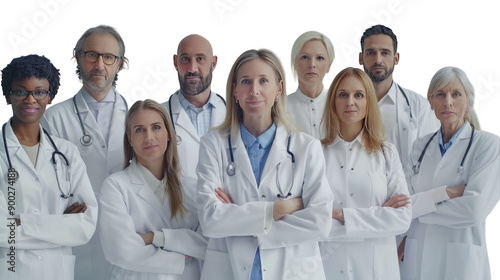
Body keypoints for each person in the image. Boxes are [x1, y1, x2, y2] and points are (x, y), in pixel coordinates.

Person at [197, 49, 334, 280]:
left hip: (293, 271)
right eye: (245, 82)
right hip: (229, 270)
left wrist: (239, 224)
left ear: (279, 89)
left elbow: (320, 222)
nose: (254, 91)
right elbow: (210, 219)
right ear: (235, 91)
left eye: (263, 81)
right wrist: (278, 209)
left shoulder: (306, 147)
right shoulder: (214, 144)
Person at [40, 24, 128, 280]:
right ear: (77, 57)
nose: (99, 64)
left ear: (119, 64)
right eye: (92, 55)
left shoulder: (138, 116)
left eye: (108, 57)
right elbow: (43, 180)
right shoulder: (53, 118)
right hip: (76, 230)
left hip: (127, 227)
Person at [0, 55, 97, 280]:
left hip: (57, 272)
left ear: (50, 96)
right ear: (8, 95)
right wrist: (61, 225)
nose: (30, 99)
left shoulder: (67, 153)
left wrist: (21, 221)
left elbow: (85, 227)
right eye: (20, 91)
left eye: (40, 91)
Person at [399, 67, 499, 280]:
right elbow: (402, 204)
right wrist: (448, 194)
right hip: (419, 257)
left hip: (461, 262)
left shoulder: (488, 145)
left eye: (456, 94)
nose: (448, 102)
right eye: (440, 94)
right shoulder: (420, 146)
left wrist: (419, 208)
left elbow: (474, 210)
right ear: (431, 102)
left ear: (468, 101)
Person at [98, 99, 207, 280]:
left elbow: (207, 243)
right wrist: (181, 253)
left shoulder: (193, 187)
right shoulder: (116, 186)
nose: (149, 137)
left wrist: (154, 238)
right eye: (139, 130)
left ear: (169, 134)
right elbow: (119, 251)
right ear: (130, 138)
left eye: (156, 127)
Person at [318, 67, 411, 279]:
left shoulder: (387, 153)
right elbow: (308, 220)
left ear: (368, 102)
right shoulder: (315, 153)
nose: (350, 102)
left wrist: (339, 215)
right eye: (343, 95)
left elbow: (401, 219)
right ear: (333, 101)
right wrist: (375, 220)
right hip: (326, 269)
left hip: (377, 271)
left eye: (358, 95)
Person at [359, 24, 439, 168]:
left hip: (407, 189)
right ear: (361, 58)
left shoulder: (420, 106)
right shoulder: (345, 105)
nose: (378, 60)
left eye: (385, 53)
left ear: (396, 58)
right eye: (371, 53)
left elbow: (432, 160)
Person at [161, 34, 226, 181]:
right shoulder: (157, 116)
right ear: (175, 62)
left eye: (200, 59)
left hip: (226, 203)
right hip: (175, 203)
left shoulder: (236, 114)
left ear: (214, 63)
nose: (192, 68)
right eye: (185, 59)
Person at [287, 31, 335, 139]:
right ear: (294, 63)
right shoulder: (280, 108)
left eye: (320, 58)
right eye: (304, 57)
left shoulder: (339, 104)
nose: (312, 64)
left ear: (329, 65)